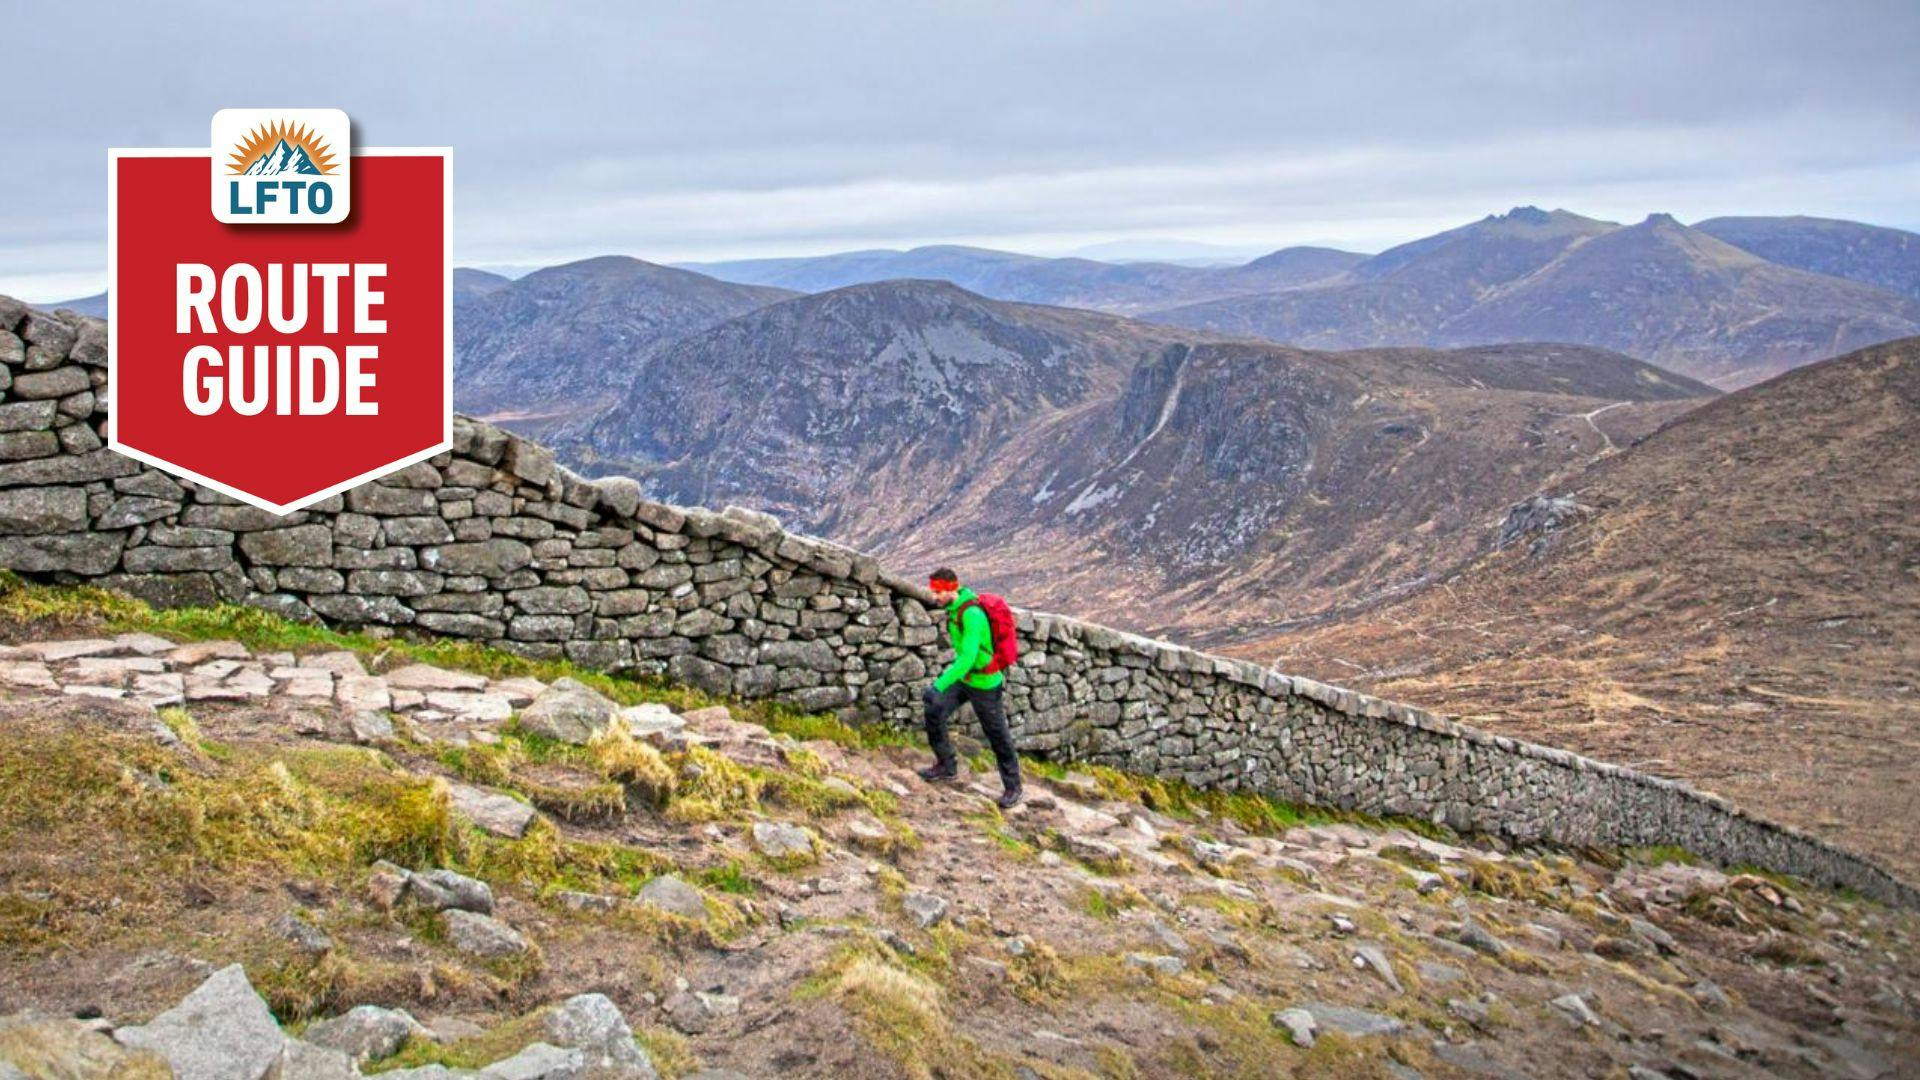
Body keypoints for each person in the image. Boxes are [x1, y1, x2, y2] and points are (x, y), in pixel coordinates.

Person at [919, 567, 1023, 808]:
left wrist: (939, 685)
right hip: (965, 679)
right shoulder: (954, 609)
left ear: (951, 589)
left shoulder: (971, 614)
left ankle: (1013, 787)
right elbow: (965, 663)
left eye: (937, 591)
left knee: (997, 734)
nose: (933, 596)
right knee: (934, 709)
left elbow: (967, 658)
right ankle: (946, 765)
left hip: (985, 683)